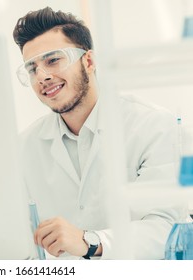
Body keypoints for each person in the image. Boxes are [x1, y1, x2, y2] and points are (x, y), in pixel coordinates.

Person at [13, 7, 184, 259]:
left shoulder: (153, 125)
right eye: (32, 68)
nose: (43, 76)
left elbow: (166, 230)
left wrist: (89, 241)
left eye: (53, 60)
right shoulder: (25, 145)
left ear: (89, 61)